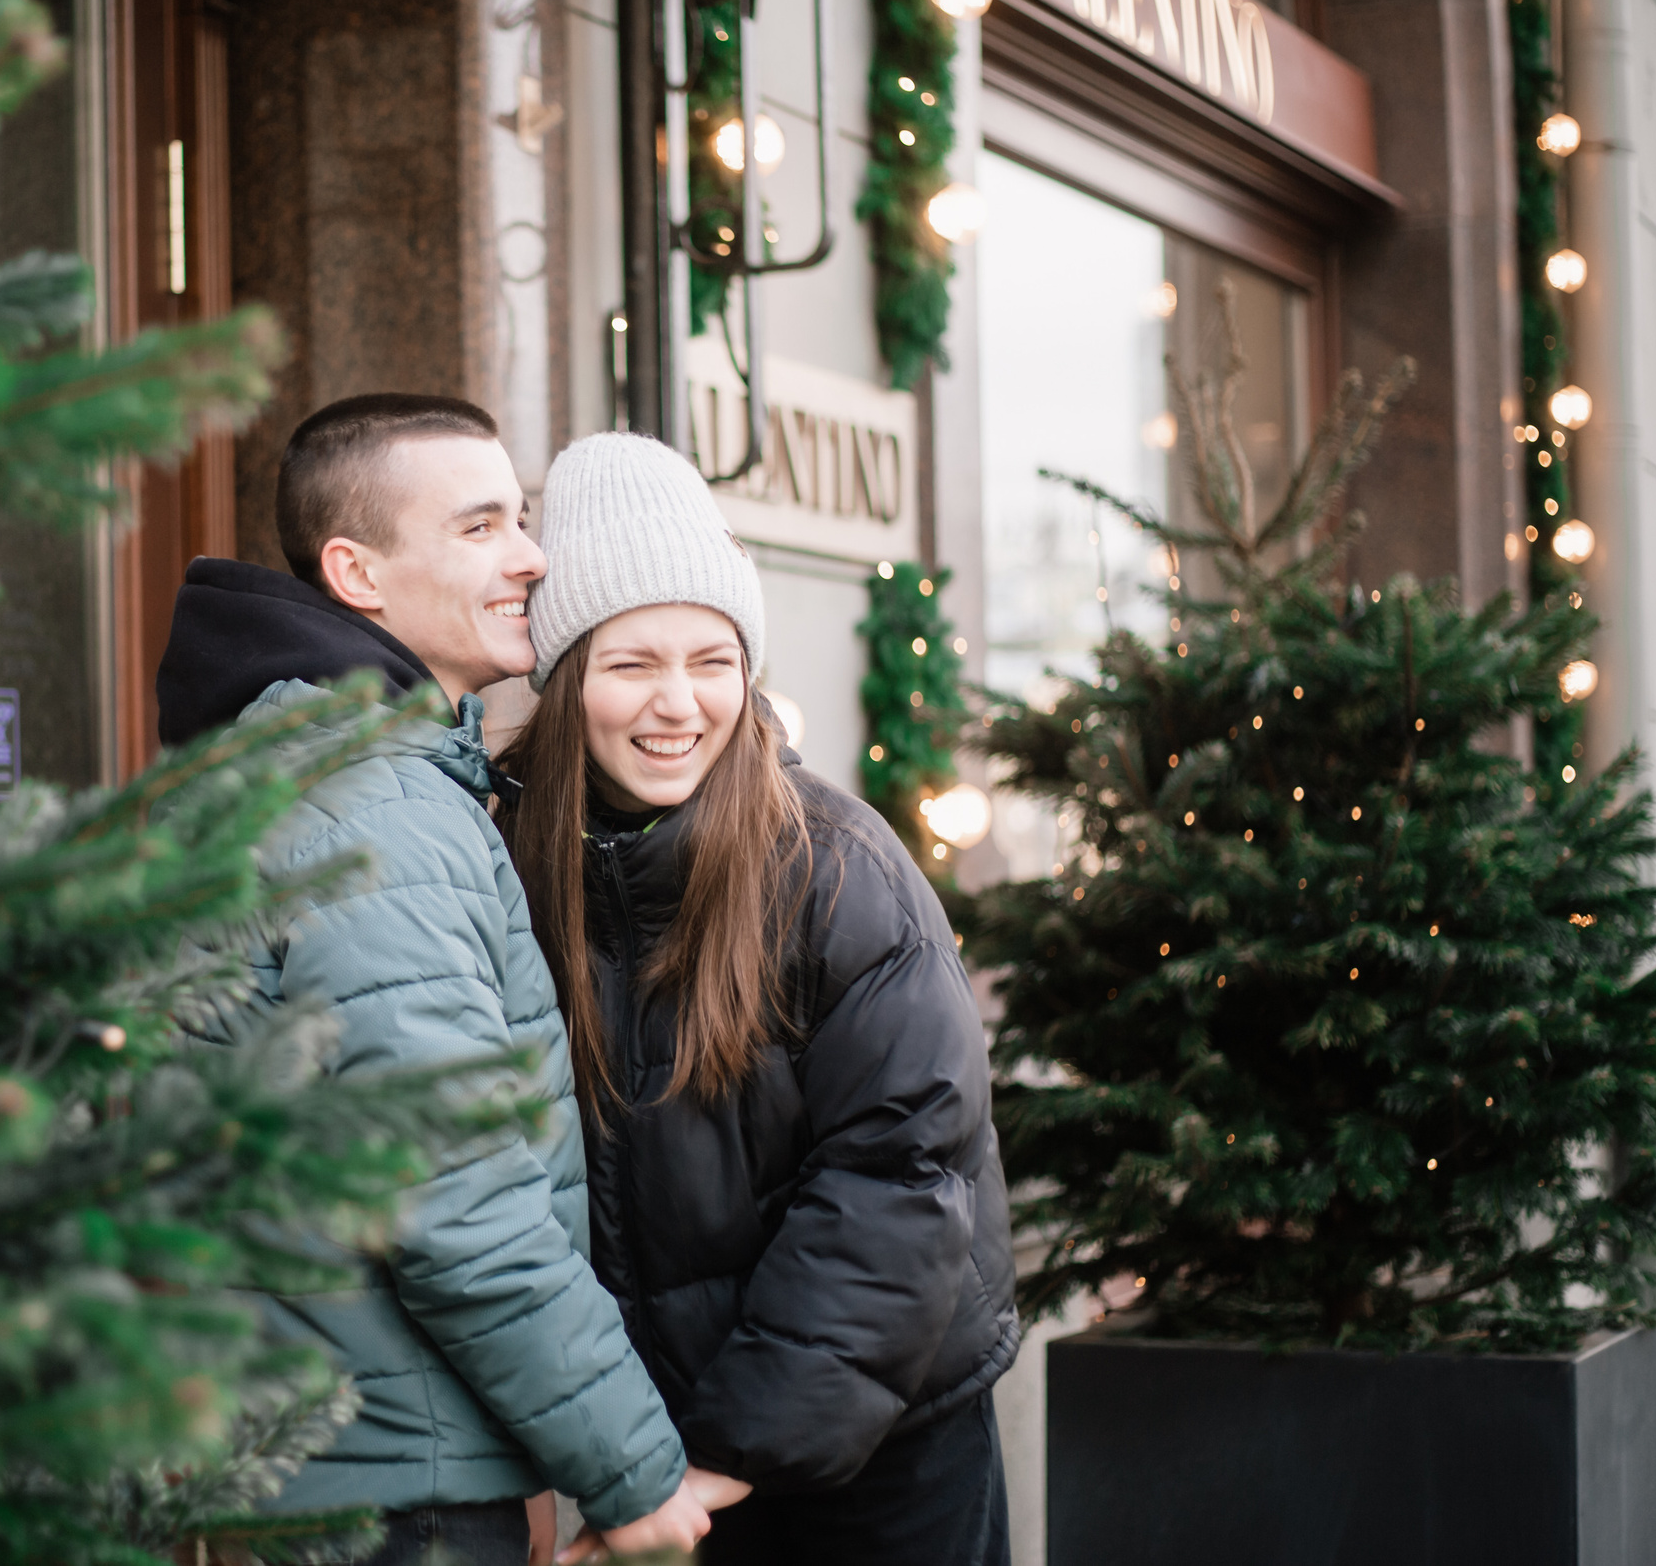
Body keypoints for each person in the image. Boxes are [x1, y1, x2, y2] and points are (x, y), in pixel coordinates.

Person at [154, 397, 722, 1566]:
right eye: (480, 528)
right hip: (390, 1493)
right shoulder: (376, 807)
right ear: (355, 571)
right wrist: (631, 1471)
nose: (529, 556)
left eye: (520, 517)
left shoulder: (334, 767)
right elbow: (455, 1200)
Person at [502, 433, 1021, 1566]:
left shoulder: (836, 868)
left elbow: (899, 1176)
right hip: (661, 1456)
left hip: (874, 1449)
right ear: (562, 679)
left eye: (712, 660)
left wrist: (709, 1466)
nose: (679, 705)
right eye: (630, 663)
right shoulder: (517, 862)